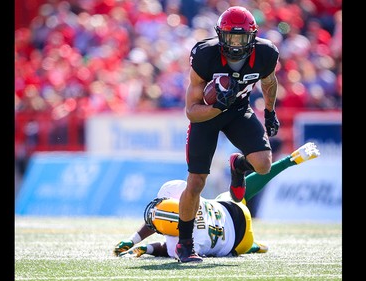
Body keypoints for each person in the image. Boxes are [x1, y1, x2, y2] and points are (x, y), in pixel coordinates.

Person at [177, 6, 281, 262]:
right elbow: (191, 111)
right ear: (220, 36)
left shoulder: (265, 53)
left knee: (263, 164)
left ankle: (239, 165)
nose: (235, 44)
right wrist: (217, 105)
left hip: (238, 110)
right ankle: (185, 243)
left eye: (241, 37)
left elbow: (268, 82)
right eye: (230, 37)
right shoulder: (205, 55)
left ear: (252, 37)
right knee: (196, 181)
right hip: (208, 115)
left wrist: (269, 112)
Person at [113, 142, 319, 260]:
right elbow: (163, 219)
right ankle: (287, 161)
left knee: (236, 247)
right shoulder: (175, 191)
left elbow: (162, 245)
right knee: (238, 196)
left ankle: (255, 246)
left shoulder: (192, 241)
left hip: (238, 242)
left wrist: (140, 246)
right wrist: (138, 243)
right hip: (229, 207)